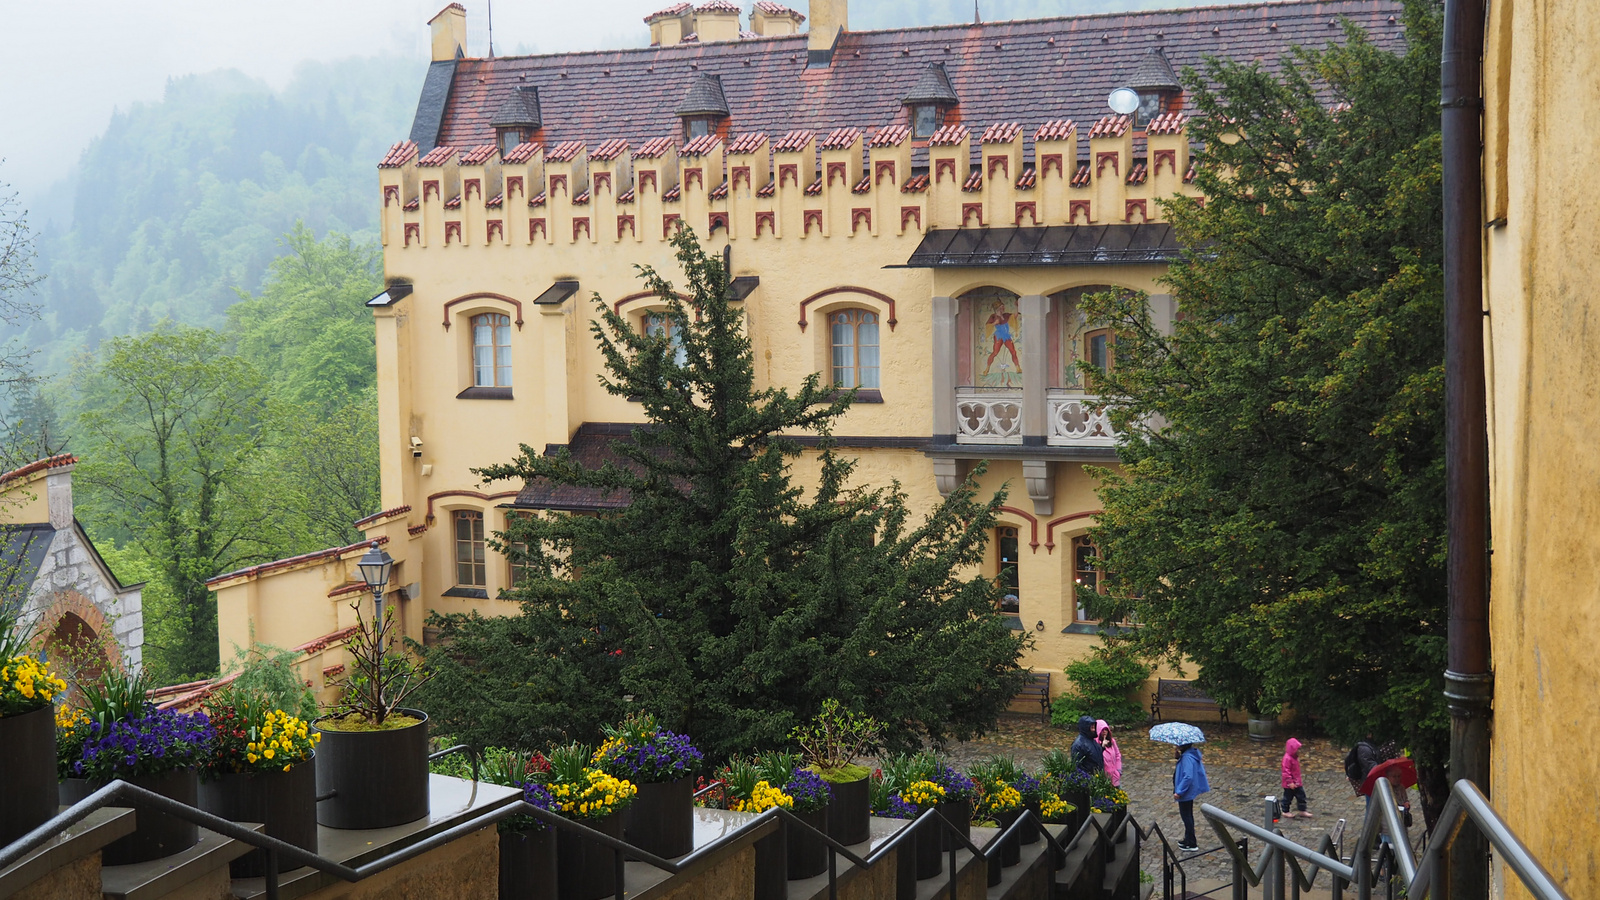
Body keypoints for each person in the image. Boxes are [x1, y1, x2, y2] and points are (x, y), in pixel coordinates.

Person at [1173, 742, 1210, 852]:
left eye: (1178, 744)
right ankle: (1188, 838)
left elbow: (1188, 776)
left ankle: (1191, 842)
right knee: (1187, 815)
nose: (1176, 745)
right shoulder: (1188, 755)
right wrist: (1178, 757)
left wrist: (1179, 791)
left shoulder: (1187, 758)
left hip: (1185, 792)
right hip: (1187, 791)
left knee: (1186, 816)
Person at [1280, 737, 1311, 818]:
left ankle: (1302, 810)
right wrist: (1290, 782)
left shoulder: (1294, 757)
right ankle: (1285, 811)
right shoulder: (1287, 759)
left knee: (1301, 796)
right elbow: (1286, 772)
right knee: (1287, 798)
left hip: (1297, 782)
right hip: (1289, 784)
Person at [1096, 719, 1123, 788]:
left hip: (1114, 776)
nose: (1104, 731)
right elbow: (1096, 757)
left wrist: (1118, 769)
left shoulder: (1112, 741)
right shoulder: (1096, 744)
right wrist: (1102, 746)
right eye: (1102, 730)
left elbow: (1117, 755)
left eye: (1106, 729)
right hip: (1104, 777)